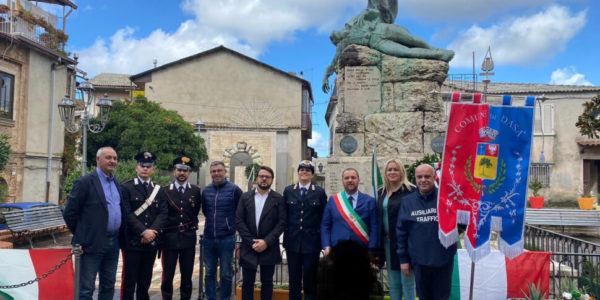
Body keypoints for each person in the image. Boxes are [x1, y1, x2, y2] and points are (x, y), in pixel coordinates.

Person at [322, 7, 454, 93]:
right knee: (406, 52)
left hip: (380, 29)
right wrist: (325, 78)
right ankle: (438, 55)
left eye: (334, 34)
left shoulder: (354, 22)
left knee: (411, 39)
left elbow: (372, 12)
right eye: (334, 39)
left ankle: (436, 49)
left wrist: (370, 17)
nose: (334, 36)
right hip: (376, 42)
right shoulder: (343, 44)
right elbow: (332, 63)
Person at [63, 146, 126, 300]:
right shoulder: (85, 182)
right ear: (98, 159)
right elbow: (69, 213)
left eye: (115, 158)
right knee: (86, 288)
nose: (112, 161)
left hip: (113, 242)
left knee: (108, 285)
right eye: (108, 157)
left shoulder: (116, 183)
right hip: (91, 242)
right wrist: (83, 235)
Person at [396, 164, 457, 300]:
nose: (423, 180)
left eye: (427, 176)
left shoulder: (446, 199)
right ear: (415, 178)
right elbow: (401, 233)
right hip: (419, 261)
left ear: (434, 176)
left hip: (443, 260)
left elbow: (461, 223)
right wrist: (404, 260)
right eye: (419, 177)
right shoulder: (407, 202)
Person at [120, 151, 168, 300]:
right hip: (133, 241)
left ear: (153, 169)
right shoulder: (126, 188)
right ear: (137, 168)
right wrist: (143, 232)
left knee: (145, 280)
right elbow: (126, 213)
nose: (145, 169)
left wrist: (152, 232)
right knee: (129, 280)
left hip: (151, 241)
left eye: (149, 166)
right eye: (142, 166)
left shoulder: (158, 190)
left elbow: (163, 213)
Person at [236, 166, 286, 300]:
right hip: (249, 246)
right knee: (247, 283)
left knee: (268, 283)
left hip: (269, 247)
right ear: (256, 178)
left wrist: (266, 242)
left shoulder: (278, 198)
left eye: (267, 177)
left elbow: (281, 223)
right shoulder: (245, 197)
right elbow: (239, 220)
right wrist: (251, 242)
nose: (264, 179)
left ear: (272, 180)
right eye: (261, 176)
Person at [283, 160, 328, 300]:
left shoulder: (319, 192)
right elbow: (284, 215)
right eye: (301, 169)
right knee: (294, 280)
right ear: (298, 173)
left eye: (308, 170)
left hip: (311, 243)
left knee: (310, 280)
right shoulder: (289, 190)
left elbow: (323, 218)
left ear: (312, 175)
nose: (304, 172)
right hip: (293, 243)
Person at [159, 156, 202, 300]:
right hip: (169, 239)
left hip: (188, 239)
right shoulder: (165, 191)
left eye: (185, 170)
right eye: (179, 170)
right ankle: (167, 297)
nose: (182, 173)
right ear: (174, 171)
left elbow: (194, 213)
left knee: (187, 274)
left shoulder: (195, 191)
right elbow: (162, 214)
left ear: (189, 172)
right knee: (168, 274)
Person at [201, 161, 243, 300]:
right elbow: (206, 211)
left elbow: (240, 211)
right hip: (208, 238)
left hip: (226, 238)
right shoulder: (206, 190)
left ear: (225, 172)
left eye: (219, 170)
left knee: (226, 272)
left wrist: (231, 226)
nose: (216, 173)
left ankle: (225, 298)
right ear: (210, 173)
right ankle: (210, 297)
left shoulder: (234, 189)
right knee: (209, 273)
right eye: (213, 171)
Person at [375, 159, 416, 300]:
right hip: (387, 243)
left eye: (395, 169)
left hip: (405, 244)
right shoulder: (381, 192)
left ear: (402, 172)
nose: (392, 172)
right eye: (389, 169)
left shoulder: (411, 191)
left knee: (407, 282)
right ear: (385, 173)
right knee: (393, 283)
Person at [320, 168, 378, 255]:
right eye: (346, 178)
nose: (350, 180)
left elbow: (374, 227)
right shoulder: (333, 201)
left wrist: (372, 249)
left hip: (361, 250)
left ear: (358, 180)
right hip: (337, 250)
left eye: (353, 177)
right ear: (342, 181)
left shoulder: (369, 201)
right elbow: (325, 225)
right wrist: (326, 245)